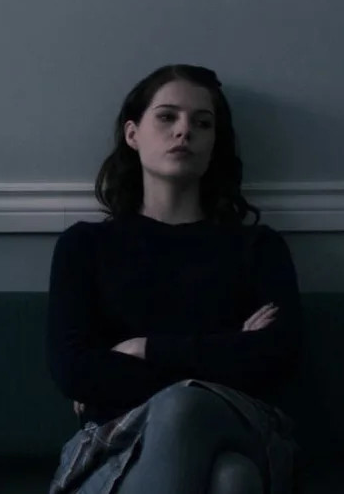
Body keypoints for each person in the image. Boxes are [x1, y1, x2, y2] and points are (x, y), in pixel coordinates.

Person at [47, 64, 301, 494]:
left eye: (202, 123)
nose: (184, 131)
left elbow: (277, 357)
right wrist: (226, 351)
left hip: (241, 424)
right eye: (167, 117)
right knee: (232, 479)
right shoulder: (85, 246)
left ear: (214, 142)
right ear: (133, 134)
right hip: (115, 443)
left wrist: (144, 349)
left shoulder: (258, 248)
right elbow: (74, 370)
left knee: (185, 407)